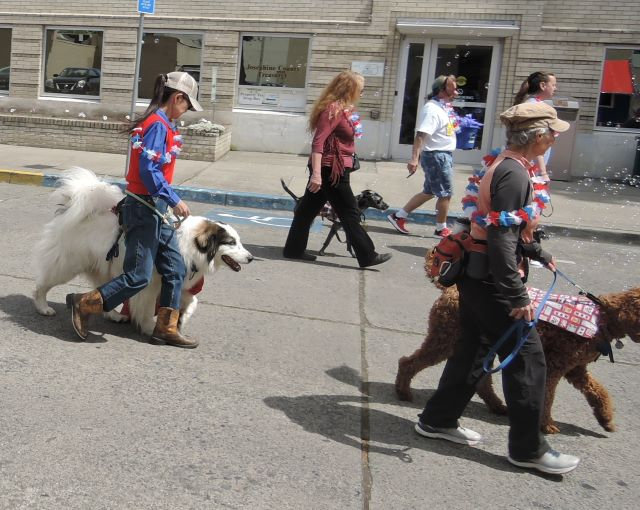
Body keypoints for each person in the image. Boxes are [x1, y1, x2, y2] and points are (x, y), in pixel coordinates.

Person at [414, 102, 581, 475]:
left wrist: (537, 250)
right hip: (493, 284)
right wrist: (516, 296)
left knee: (472, 352)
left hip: (477, 280)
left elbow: (498, 224)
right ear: (537, 136)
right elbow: (501, 238)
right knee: (529, 360)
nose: (554, 139)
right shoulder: (515, 175)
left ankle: (437, 420)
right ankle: (528, 448)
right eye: (552, 133)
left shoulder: (506, 165)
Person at [66, 71, 203, 348]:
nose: (186, 111)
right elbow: (149, 169)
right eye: (187, 104)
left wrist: (167, 200)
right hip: (145, 209)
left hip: (156, 209)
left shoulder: (163, 124)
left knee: (175, 269)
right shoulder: (157, 125)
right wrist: (173, 198)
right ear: (178, 98)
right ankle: (84, 304)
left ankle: (166, 327)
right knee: (138, 276)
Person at [283, 70, 391, 268]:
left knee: (307, 210)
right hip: (330, 170)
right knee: (350, 211)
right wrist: (316, 174)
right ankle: (367, 255)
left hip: (334, 168)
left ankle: (293, 249)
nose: (363, 92)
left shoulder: (344, 109)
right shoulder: (332, 110)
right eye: (361, 88)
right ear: (349, 89)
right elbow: (318, 142)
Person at [387, 75, 459, 237]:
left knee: (429, 191)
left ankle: (398, 216)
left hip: (442, 154)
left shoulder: (443, 107)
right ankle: (441, 228)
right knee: (445, 193)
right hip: (437, 156)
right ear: (441, 90)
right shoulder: (432, 109)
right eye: (452, 88)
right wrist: (414, 158)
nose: (456, 92)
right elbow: (420, 135)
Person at [513, 71, 558, 181]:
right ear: (543, 86)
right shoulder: (536, 108)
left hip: (524, 165)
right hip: (529, 168)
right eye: (553, 85)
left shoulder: (530, 104)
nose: (555, 88)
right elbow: (535, 141)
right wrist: (543, 173)